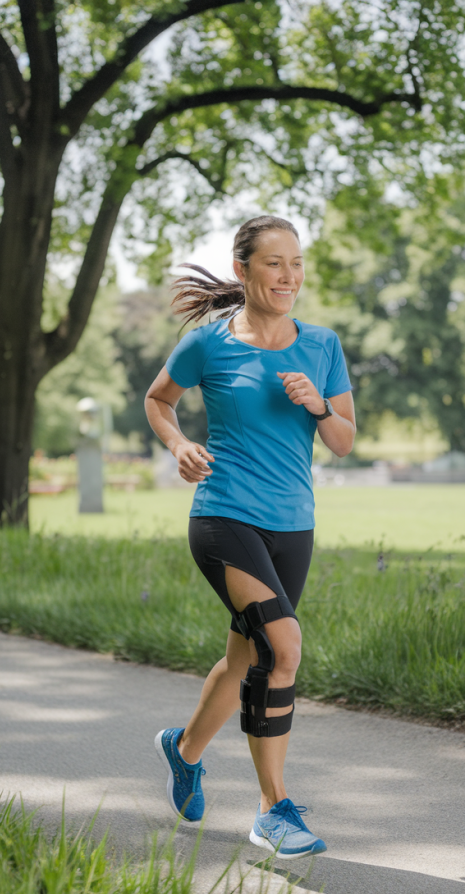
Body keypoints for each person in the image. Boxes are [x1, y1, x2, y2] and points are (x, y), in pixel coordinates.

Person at [145, 215, 355, 859]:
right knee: (284, 648)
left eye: (296, 263)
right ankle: (272, 810)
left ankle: (183, 752)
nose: (289, 276)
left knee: (246, 659)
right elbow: (158, 400)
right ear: (242, 270)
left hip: (294, 522)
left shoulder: (320, 345)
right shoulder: (210, 344)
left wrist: (318, 404)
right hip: (223, 514)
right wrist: (180, 444)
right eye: (274, 263)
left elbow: (343, 440)